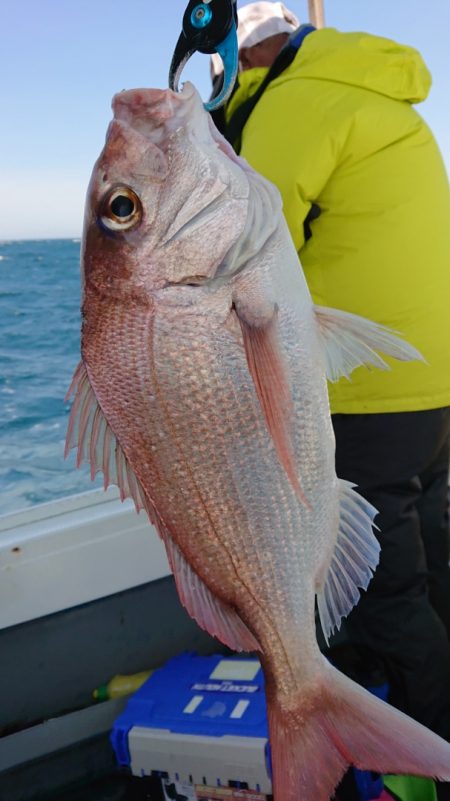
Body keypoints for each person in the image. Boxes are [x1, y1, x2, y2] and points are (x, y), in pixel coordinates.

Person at [211, 2, 450, 798]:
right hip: (430, 386)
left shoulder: (293, 104)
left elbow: (237, 249)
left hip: (362, 391)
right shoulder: (377, 90)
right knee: (430, 565)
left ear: (245, 62)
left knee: (384, 595)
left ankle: (428, 753)